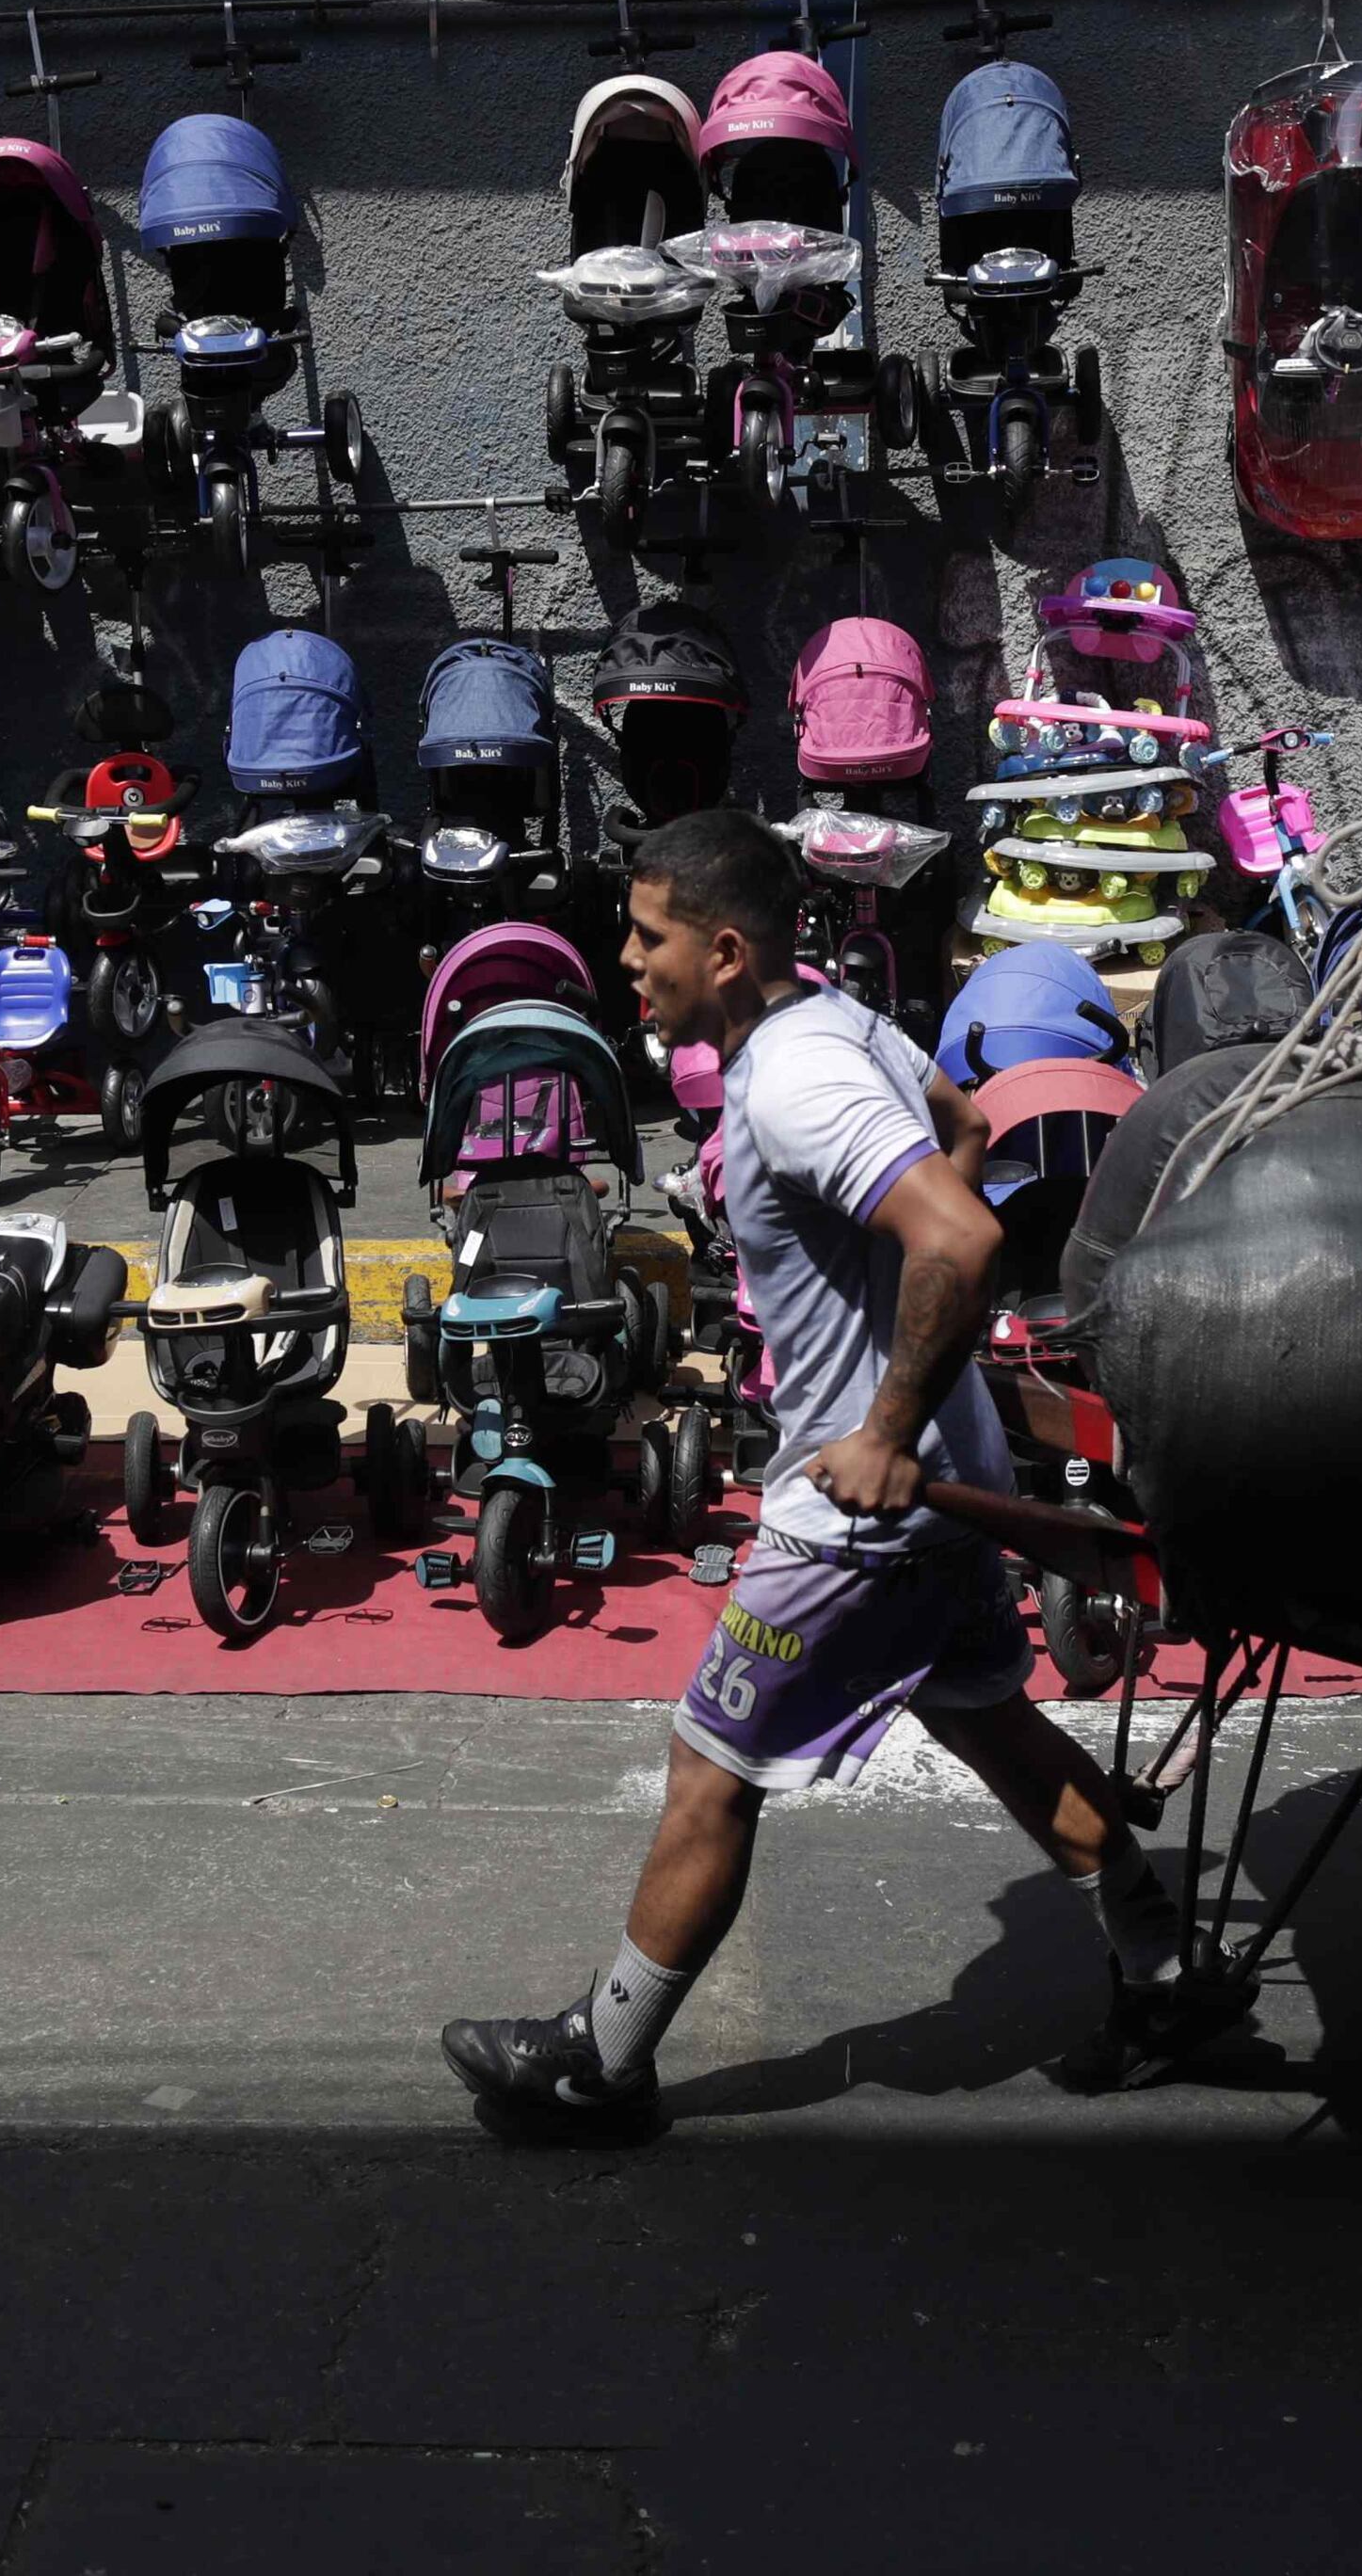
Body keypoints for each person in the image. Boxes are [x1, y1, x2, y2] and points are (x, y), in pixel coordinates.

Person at [441, 808, 1193, 2139]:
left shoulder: (796, 1080)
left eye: (648, 935)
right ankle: (1169, 1976)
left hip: (860, 1519)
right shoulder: (837, 1019)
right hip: (942, 1492)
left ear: (725, 951)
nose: (626, 958)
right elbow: (963, 1122)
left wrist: (887, 1422)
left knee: (708, 1775)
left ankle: (600, 2065)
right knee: (996, 1727)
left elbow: (959, 1232)